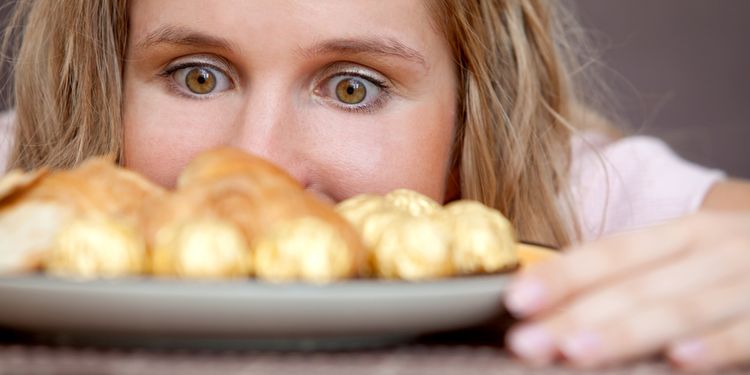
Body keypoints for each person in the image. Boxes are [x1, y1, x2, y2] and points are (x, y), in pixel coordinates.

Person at [1, 0, 748, 371]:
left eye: (353, 88)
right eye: (198, 76)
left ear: (470, 119)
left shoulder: (569, 191)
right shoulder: (25, 193)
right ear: (100, 87)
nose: (257, 163)